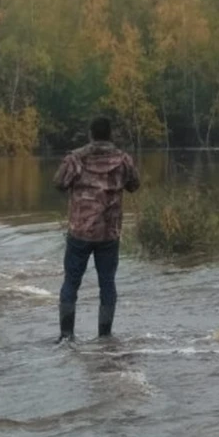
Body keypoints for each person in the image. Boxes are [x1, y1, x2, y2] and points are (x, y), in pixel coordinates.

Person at [53, 117, 140, 341]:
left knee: (71, 282)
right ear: (111, 134)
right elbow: (134, 186)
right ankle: (105, 336)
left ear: (90, 134)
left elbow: (59, 183)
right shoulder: (123, 160)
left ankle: (66, 336)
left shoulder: (76, 158)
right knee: (107, 284)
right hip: (109, 233)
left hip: (80, 231)